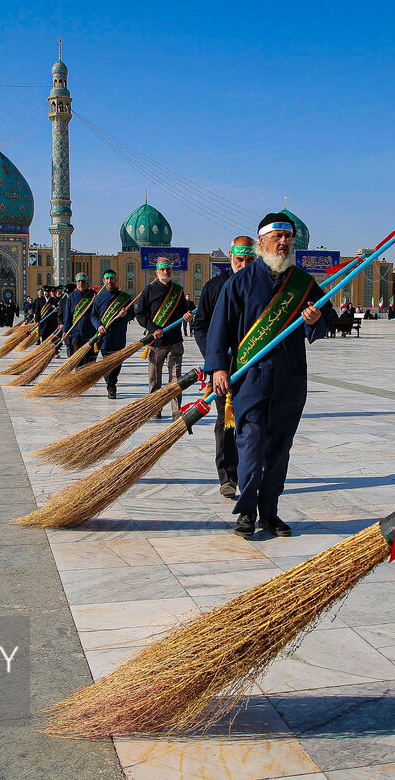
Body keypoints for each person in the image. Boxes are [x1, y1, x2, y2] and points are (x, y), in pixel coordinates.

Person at [206, 213, 326, 538]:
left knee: (278, 449)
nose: (284, 243)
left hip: (289, 379)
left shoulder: (303, 283)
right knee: (251, 445)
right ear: (262, 242)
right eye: (277, 238)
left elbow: (325, 320)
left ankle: (270, 512)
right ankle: (246, 512)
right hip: (251, 381)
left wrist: (314, 319)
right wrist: (218, 367)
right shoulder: (239, 283)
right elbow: (220, 329)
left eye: (288, 238)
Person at [194, 237, 257, 498]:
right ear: (230, 256)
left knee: (253, 422)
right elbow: (201, 326)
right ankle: (228, 476)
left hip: (254, 366)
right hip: (225, 368)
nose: (243, 265)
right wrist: (215, 361)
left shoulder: (261, 286)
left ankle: (251, 473)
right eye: (239, 259)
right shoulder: (215, 286)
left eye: (249, 260)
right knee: (226, 420)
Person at [134, 258, 195, 418]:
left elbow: (183, 311)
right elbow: (140, 315)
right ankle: (156, 408)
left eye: (168, 269)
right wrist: (153, 329)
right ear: (157, 272)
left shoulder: (178, 290)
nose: (166, 272)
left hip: (175, 341)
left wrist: (187, 316)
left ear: (172, 271)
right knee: (155, 378)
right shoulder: (149, 290)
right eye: (162, 270)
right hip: (157, 343)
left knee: (176, 378)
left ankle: (176, 411)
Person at [93, 270, 134, 399]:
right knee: (107, 363)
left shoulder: (125, 298)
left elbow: (133, 314)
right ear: (104, 281)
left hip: (119, 336)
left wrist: (125, 314)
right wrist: (99, 325)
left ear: (116, 280)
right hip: (104, 337)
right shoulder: (99, 298)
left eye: (112, 278)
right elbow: (93, 315)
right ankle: (111, 386)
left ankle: (112, 383)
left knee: (116, 363)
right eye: (107, 278)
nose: (110, 281)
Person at [62, 273, 98, 363]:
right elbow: (67, 316)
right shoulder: (72, 296)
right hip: (76, 333)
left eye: (83, 281)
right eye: (79, 281)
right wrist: (65, 331)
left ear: (87, 282)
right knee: (78, 361)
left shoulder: (94, 295)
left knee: (90, 361)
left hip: (91, 332)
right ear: (76, 283)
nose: (81, 283)